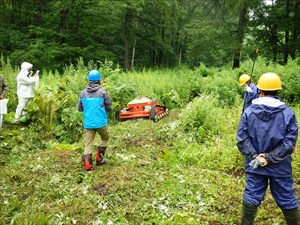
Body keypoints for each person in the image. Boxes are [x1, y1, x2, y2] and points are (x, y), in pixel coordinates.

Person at [237, 72, 300, 225]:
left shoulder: (249, 112)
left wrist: (256, 157)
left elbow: (242, 139)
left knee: (252, 196)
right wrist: (270, 157)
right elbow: (290, 142)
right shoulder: (288, 113)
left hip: (255, 165)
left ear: (260, 90)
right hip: (280, 166)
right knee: (287, 197)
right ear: (278, 90)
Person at [77, 70, 112, 171]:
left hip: (88, 124)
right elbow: (109, 108)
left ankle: (88, 166)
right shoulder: (103, 92)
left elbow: (79, 108)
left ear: (88, 80)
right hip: (101, 123)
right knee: (105, 138)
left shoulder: (82, 93)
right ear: (99, 81)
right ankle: (99, 159)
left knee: (88, 144)